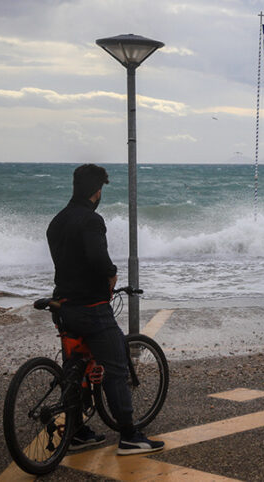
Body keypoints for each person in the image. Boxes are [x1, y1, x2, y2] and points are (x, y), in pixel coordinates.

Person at [46, 164, 164, 455]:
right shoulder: (91, 220)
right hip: (91, 308)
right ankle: (129, 436)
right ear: (97, 192)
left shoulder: (57, 222)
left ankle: (76, 432)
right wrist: (111, 274)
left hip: (63, 306)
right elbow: (98, 258)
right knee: (115, 367)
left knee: (76, 368)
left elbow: (68, 263)